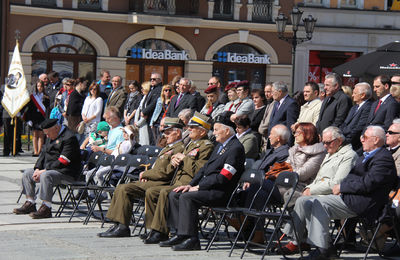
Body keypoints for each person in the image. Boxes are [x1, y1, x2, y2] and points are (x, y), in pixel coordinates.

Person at [285, 126, 397, 259]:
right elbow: (352, 178)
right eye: (362, 137)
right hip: (350, 196)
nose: (361, 140)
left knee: (317, 203)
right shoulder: (365, 155)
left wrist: (342, 187)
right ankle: (308, 242)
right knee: (303, 200)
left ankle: (322, 250)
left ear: (376, 140)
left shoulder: (383, 158)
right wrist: (343, 187)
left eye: (365, 137)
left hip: (363, 202)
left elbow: (368, 183)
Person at [162, 113, 245, 251]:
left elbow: (223, 178)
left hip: (221, 192)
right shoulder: (220, 145)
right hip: (209, 188)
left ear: (227, 130)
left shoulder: (235, 148)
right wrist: (190, 184)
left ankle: (192, 239)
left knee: (187, 197)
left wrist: (199, 187)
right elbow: (204, 169)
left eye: (217, 129)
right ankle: (179, 233)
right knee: (175, 194)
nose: (214, 132)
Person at [97, 118, 185, 238]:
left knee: (125, 188)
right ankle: (118, 224)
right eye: (165, 132)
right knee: (122, 187)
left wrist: (146, 174)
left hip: (162, 182)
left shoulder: (179, 148)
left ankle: (123, 227)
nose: (165, 135)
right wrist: (148, 175)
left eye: (168, 132)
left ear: (178, 132)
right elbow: (157, 168)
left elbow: (167, 172)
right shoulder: (168, 147)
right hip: (154, 180)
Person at [279, 126, 358, 254]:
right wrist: (310, 188)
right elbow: (319, 178)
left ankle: (300, 241)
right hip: (318, 191)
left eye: (328, 142)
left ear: (339, 140)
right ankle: (300, 240)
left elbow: (337, 183)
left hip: (333, 195)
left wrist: (311, 189)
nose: (325, 146)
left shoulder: (349, 155)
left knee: (302, 200)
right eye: (324, 142)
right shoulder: (331, 152)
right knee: (298, 198)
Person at [143, 112, 214, 244]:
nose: (189, 129)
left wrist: (184, 159)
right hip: (177, 180)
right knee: (152, 191)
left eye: (193, 128)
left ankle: (162, 231)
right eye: (190, 127)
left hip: (188, 183)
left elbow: (199, 170)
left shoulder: (206, 146)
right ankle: (154, 229)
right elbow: (185, 162)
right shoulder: (191, 144)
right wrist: (176, 160)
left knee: (164, 192)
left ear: (202, 131)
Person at [13, 119, 81, 219]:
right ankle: (30, 202)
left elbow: (63, 161)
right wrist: (37, 168)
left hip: (66, 172)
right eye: (46, 134)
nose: (47, 136)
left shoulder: (69, 137)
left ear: (56, 128)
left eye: (48, 133)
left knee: (46, 175)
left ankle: (46, 207)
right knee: (28, 173)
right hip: (49, 169)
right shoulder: (51, 135)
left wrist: (44, 171)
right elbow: (43, 154)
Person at [340, 82, 372, 152]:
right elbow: (345, 123)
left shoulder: (368, 107)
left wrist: (345, 141)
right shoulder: (354, 107)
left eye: (355, 93)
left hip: (354, 145)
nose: (352, 95)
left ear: (362, 95)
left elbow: (359, 128)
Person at [267, 81, 299, 146]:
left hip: (282, 144)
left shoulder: (291, 104)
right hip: (272, 142)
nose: (271, 94)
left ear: (280, 92)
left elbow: (290, 127)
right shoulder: (276, 103)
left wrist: (288, 146)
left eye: (273, 92)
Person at [25, 80, 50, 156]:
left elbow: (48, 108)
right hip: (34, 117)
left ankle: (39, 151)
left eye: (41, 86)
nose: (39, 88)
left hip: (42, 117)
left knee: (41, 134)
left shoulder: (46, 97)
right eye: (38, 86)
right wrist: (28, 119)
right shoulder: (33, 97)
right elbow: (29, 109)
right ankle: (35, 151)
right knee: (35, 134)